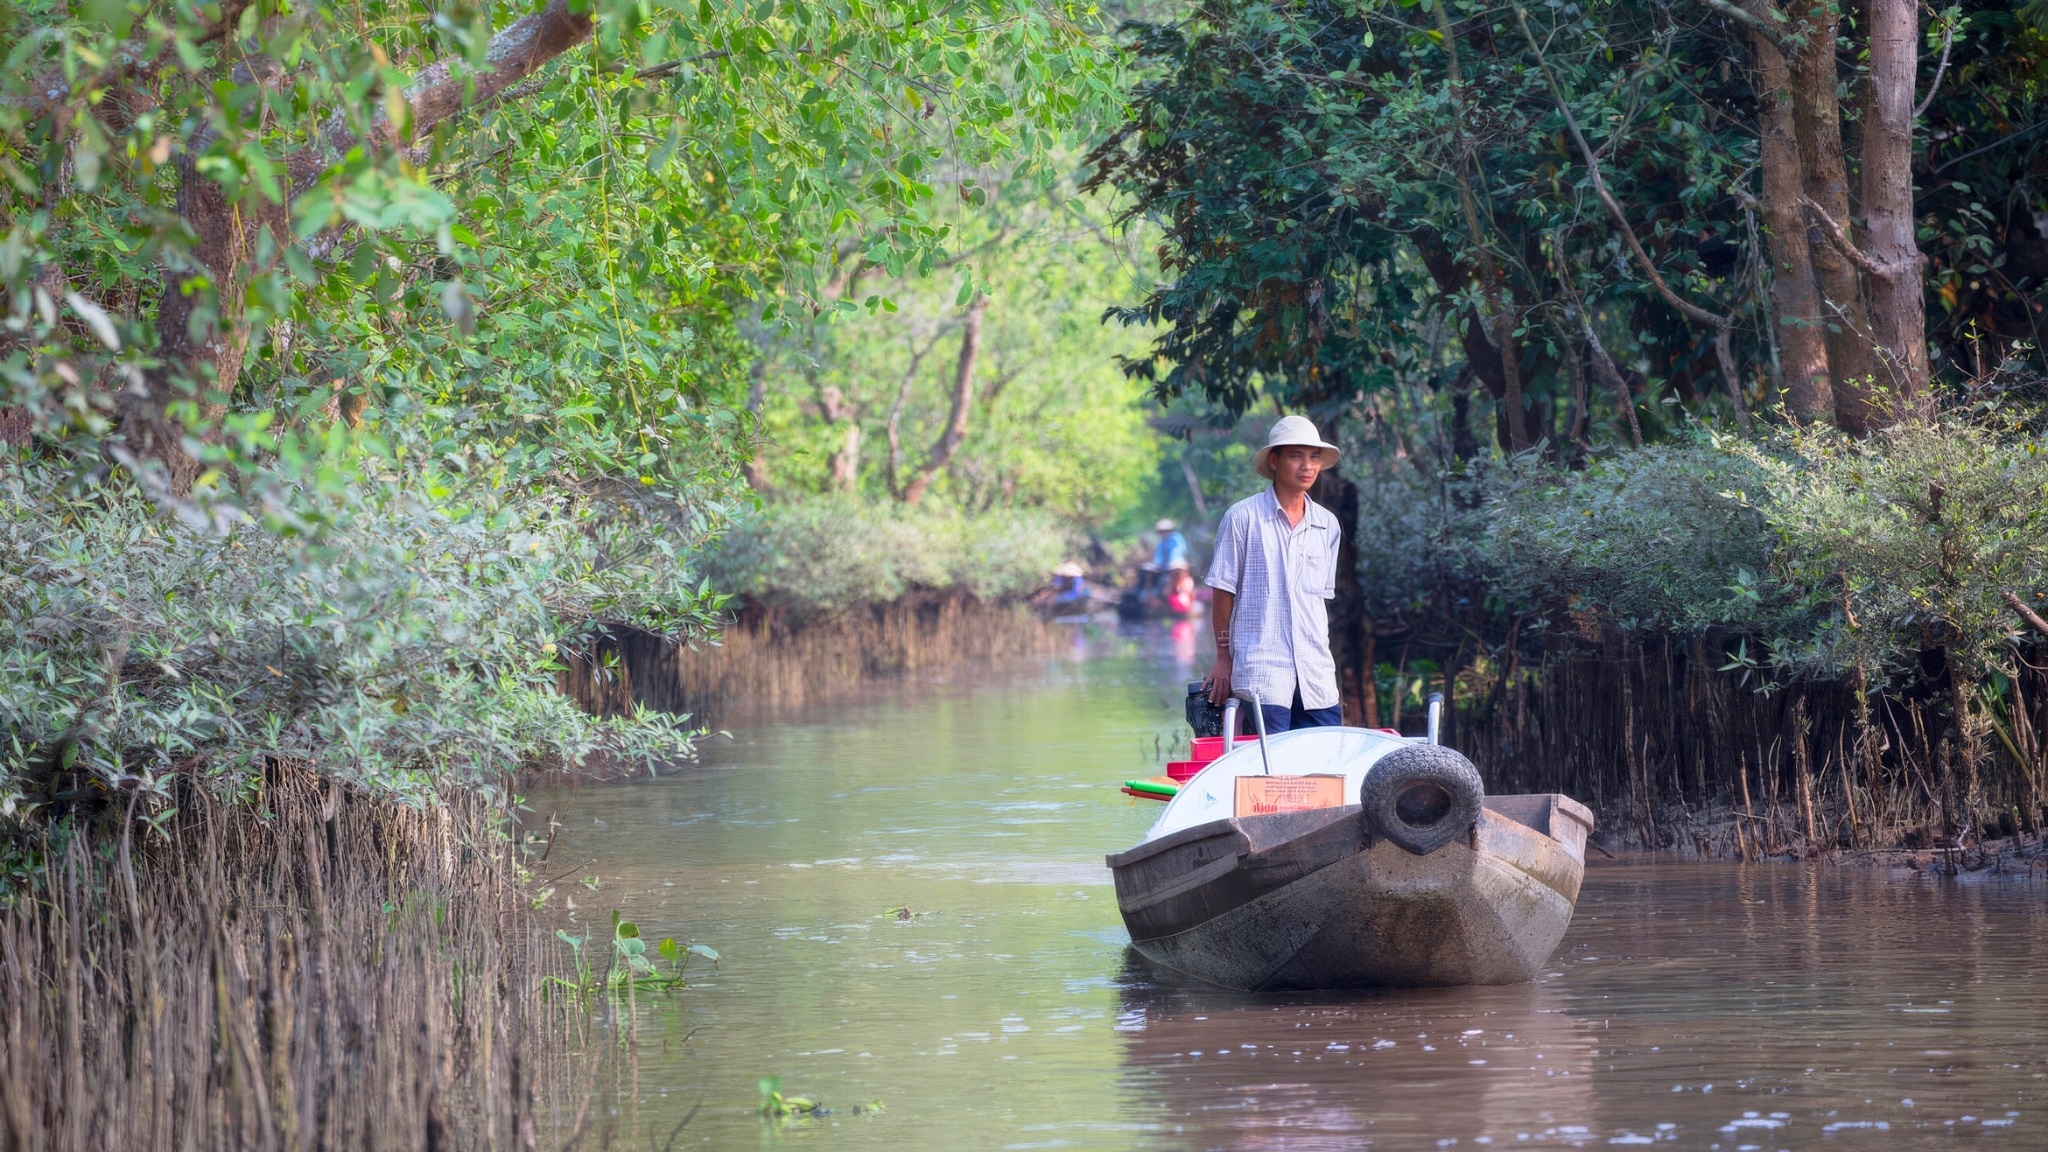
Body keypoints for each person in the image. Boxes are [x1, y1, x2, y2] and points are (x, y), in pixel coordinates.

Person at [1202, 415, 1343, 733]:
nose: (1307, 466)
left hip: (1316, 674)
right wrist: (1223, 658)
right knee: (1273, 761)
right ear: (1274, 461)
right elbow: (1222, 591)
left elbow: (1317, 602)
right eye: (1296, 456)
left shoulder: (1327, 525)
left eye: (1314, 457)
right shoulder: (1243, 518)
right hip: (1263, 673)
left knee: (1325, 757)